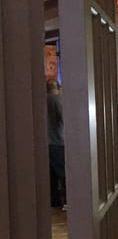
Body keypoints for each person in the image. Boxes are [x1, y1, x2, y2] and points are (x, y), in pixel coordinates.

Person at [46, 79, 66, 208]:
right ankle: (67, 202)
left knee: (51, 176)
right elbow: (64, 120)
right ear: (58, 88)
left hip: (45, 144)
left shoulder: (41, 100)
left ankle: (53, 201)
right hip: (58, 142)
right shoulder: (58, 100)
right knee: (63, 174)